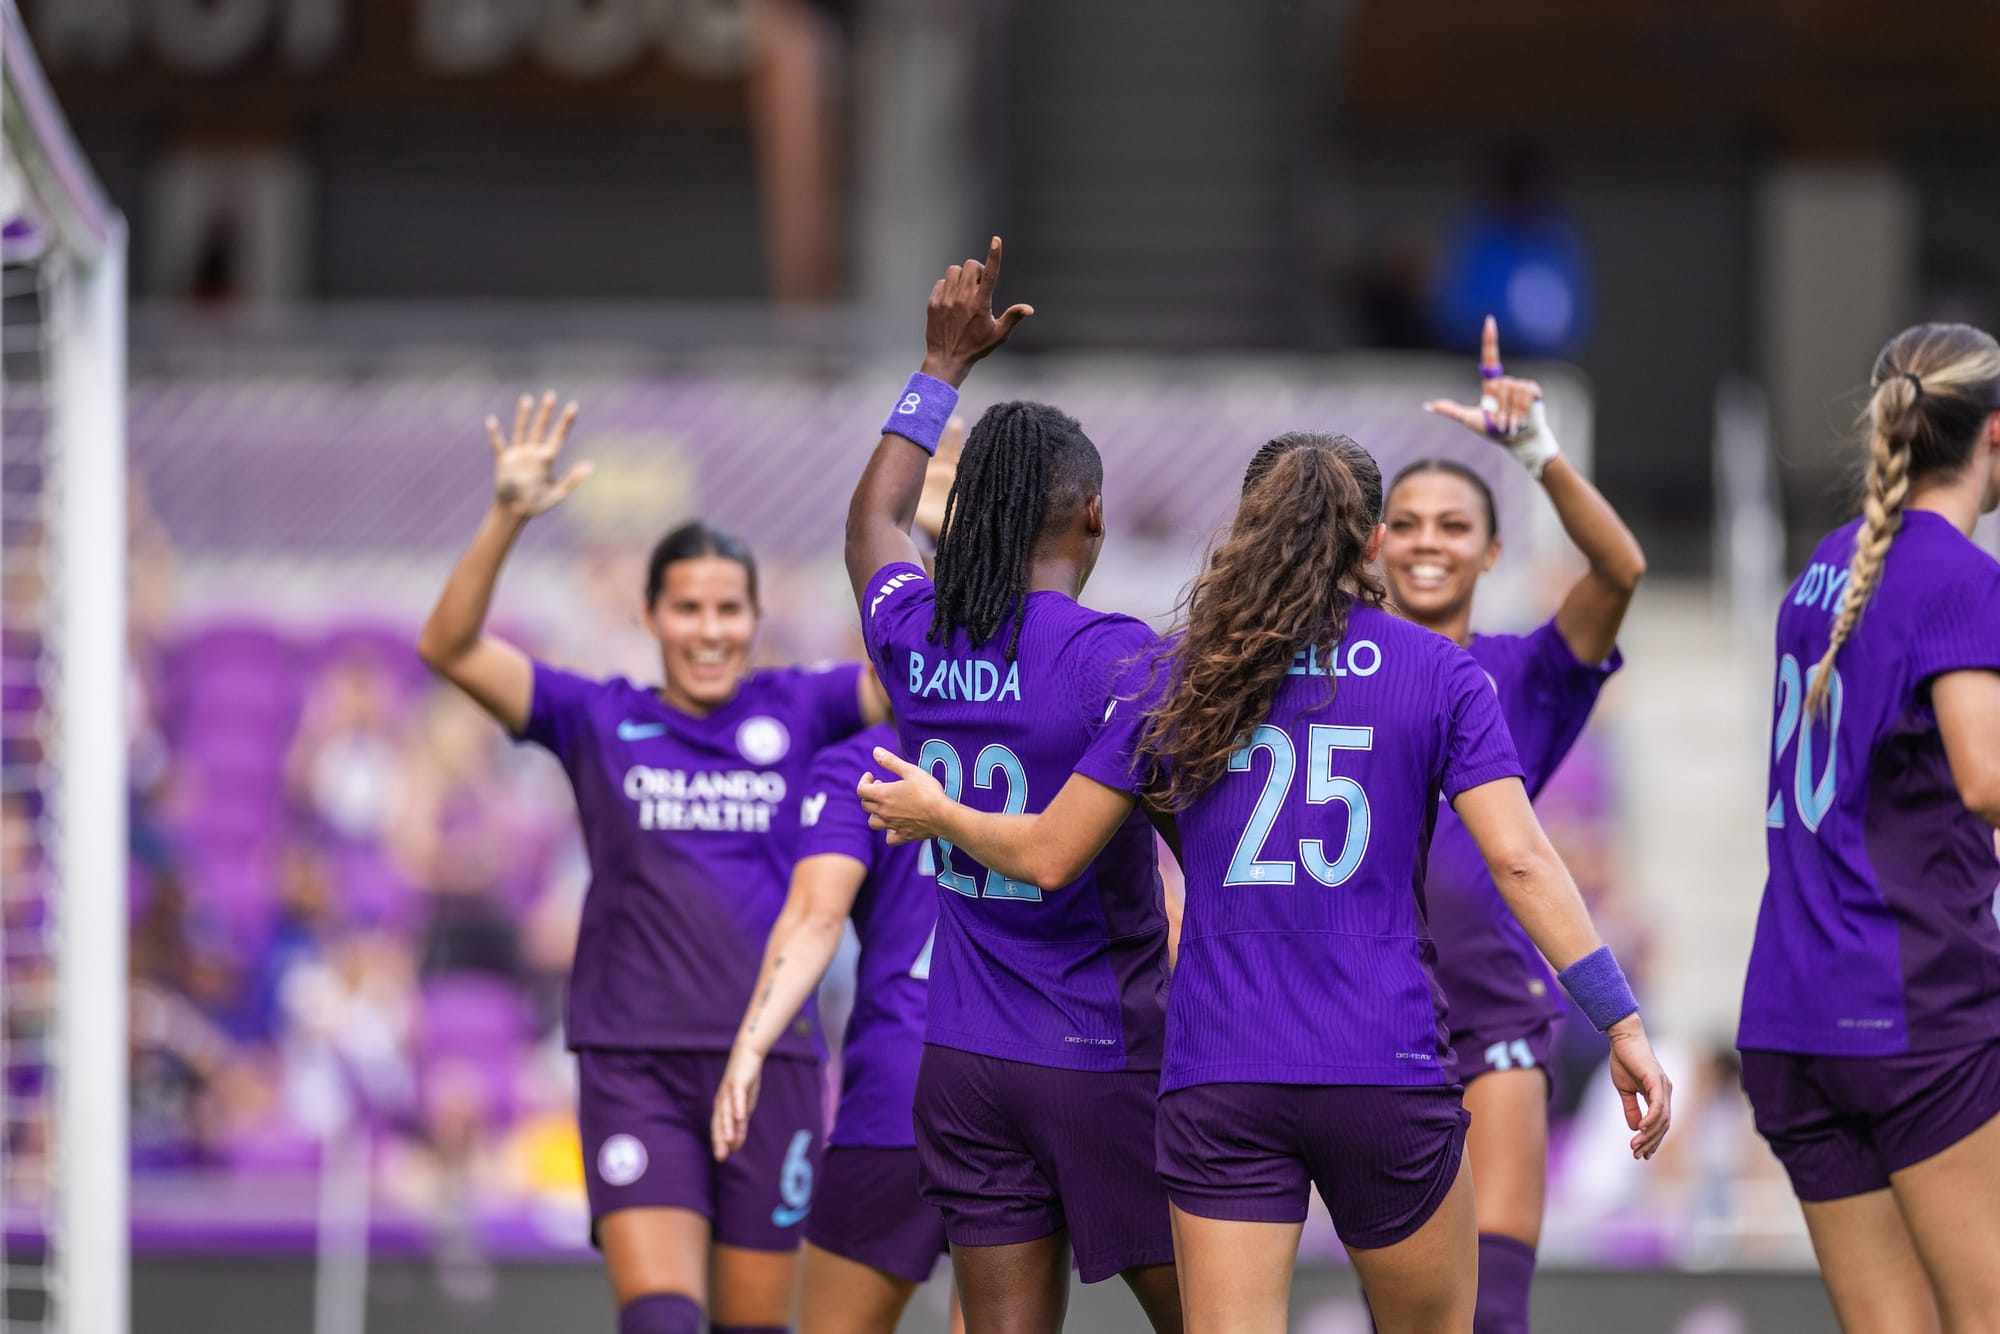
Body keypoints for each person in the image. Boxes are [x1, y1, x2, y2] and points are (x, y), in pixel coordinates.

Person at [858, 432, 1670, 1333]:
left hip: (1220, 1072)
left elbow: (1052, 851)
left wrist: (942, 812)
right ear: (1373, 545)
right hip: (1383, 1061)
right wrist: (1620, 1018)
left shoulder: (1174, 674)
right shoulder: (1442, 671)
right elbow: (1521, 859)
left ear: (1247, 529)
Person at [417, 392, 890, 1334]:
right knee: (662, 1319)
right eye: (688, 609)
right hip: (635, 1058)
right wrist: (509, 513)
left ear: (758, 617)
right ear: (649, 615)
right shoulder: (597, 717)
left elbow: (926, 681)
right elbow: (449, 646)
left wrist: (927, 531)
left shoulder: (804, 707)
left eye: (729, 609)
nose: (709, 630)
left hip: (776, 1060)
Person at [843, 238, 1182, 1333]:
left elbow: (871, 526)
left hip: (965, 1060)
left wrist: (939, 367)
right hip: (1106, 1055)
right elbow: (1052, 848)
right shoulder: (1119, 655)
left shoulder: (908, 630)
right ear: (1090, 517)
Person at [1367, 315, 1642, 1331]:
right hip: (1363, 1014)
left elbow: (1619, 571)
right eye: (1405, 521)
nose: (1427, 541)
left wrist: (1536, 455)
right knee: (1404, 1309)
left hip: (1493, 1018)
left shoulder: (1522, 672)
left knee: (1492, 1307)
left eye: (1451, 525)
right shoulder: (1334, 668)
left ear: (1488, 551)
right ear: (1371, 541)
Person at [1737, 323, 2000, 1334]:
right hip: (1906, 1006)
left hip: (1790, 1010)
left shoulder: (1825, 561)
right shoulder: (1959, 578)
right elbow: (1981, 780)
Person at [711, 433, 965, 1334]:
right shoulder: (1053, 741)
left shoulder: (859, 764)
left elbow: (814, 920)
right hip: (1026, 1095)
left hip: (899, 1098)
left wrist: (749, 1046)